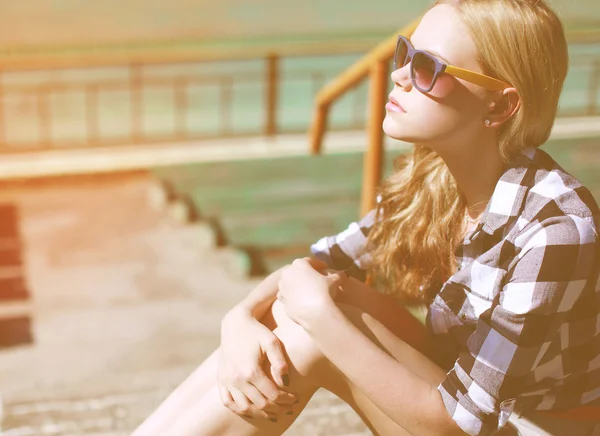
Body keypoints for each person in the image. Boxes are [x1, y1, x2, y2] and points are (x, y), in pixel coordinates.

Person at [132, 0, 600, 434]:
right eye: (405, 52)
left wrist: (320, 318)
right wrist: (237, 321)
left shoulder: (556, 231)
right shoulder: (435, 177)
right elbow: (319, 264)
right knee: (303, 306)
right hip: (459, 401)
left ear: (499, 105)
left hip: (532, 426)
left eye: (426, 68)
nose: (399, 75)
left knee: (316, 326)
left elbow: (462, 421)